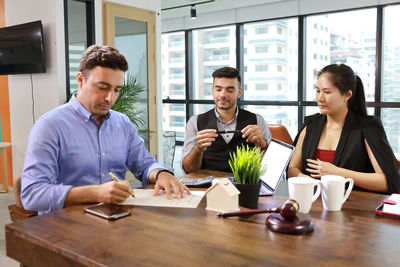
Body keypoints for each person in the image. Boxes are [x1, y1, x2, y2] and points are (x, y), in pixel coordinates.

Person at [21, 45, 190, 214]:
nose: (110, 98)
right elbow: (32, 194)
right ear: (80, 80)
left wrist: (161, 174)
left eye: (116, 90)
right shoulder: (49, 126)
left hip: (115, 219)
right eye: (102, 87)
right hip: (66, 225)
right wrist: (95, 193)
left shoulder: (122, 123)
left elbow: (144, 164)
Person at [288, 63, 400, 194]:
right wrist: (306, 180)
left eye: (327, 92)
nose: (320, 98)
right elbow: (292, 168)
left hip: (354, 208)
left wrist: (337, 173)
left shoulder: (368, 127)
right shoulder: (310, 125)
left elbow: (387, 181)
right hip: (312, 204)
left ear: (347, 95)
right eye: (318, 91)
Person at [181, 67, 271, 173]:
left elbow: (271, 167)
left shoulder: (257, 120)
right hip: (207, 186)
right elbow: (188, 170)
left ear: (239, 92)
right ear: (212, 90)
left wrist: (263, 145)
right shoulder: (195, 122)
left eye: (230, 90)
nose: (223, 95)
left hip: (244, 186)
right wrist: (198, 148)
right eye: (218, 89)